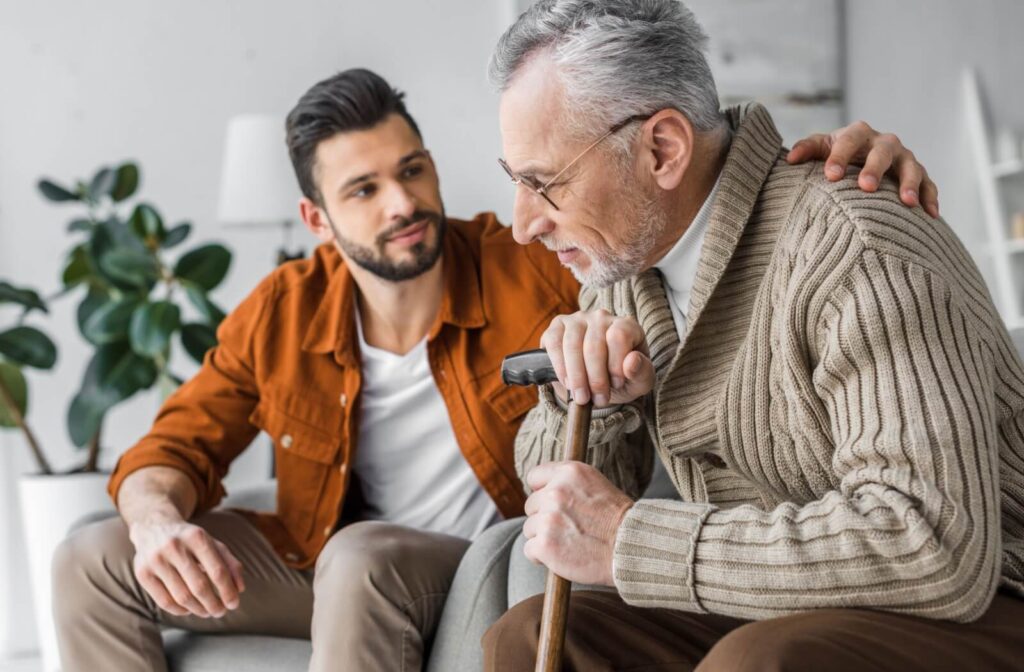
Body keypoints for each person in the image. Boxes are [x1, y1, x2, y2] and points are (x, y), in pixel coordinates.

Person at [51, 65, 936, 671]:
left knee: (363, 555)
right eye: (363, 191)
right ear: (317, 221)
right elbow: (173, 444)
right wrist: (158, 522)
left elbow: (678, 229)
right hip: (324, 560)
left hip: (464, 557)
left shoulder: (531, 261)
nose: (403, 204)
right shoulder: (283, 308)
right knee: (90, 552)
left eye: (413, 170)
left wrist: (818, 169)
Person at [483, 1, 1024, 671]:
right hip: (781, 608)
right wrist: (585, 395)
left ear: (662, 149)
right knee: (531, 638)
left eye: (544, 184)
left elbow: (933, 544)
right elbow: (552, 504)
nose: (522, 224)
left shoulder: (854, 245)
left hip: (987, 604)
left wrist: (631, 537)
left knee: (755, 661)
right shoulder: (623, 270)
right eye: (517, 182)